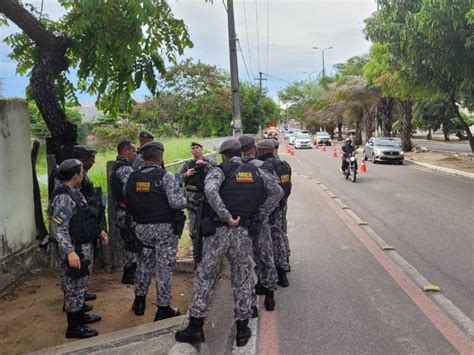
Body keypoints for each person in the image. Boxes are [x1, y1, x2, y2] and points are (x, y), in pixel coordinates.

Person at [175, 139, 283, 347]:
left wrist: (226, 216)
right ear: (241, 153)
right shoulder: (256, 171)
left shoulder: (219, 170)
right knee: (242, 277)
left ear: (223, 155)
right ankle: (243, 329)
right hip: (243, 232)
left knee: (205, 276)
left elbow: (210, 191)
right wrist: (260, 215)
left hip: (218, 232)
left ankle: (195, 327)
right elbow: (277, 191)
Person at [125, 141, 187, 321]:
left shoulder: (133, 177)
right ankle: (163, 308)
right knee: (164, 267)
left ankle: (139, 302)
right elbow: (175, 202)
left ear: (143, 157)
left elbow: (127, 197)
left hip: (141, 228)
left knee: (144, 264)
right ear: (160, 157)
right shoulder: (166, 176)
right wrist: (188, 200)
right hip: (164, 229)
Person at [49, 159, 108, 339]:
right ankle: (74, 327)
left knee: (82, 284)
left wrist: (99, 232)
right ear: (76, 175)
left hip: (83, 245)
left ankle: (80, 316)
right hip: (75, 248)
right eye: (82, 171)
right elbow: (58, 227)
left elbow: (86, 216)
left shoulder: (74, 192)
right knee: (74, 286)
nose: (84, 174)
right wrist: (70, 252)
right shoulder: (63, 198)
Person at [238, 135, 280, 312]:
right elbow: (277, 193)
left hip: (239, 223)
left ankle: (251, 306)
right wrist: (262, 214)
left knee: (243, 262)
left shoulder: (233, 169)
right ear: (253, 149)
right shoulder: (261, 169)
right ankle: (269, 297)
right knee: (265, 257)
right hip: (259, 222)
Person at [256, 139, 292, 287]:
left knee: (267, 242)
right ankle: (284, 270)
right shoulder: (285, 165)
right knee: (280, 236)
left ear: (261, 151)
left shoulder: (264, 168)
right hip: (282, 205)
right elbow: (288, 186)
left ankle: (270, 276)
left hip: (270, 208)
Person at [72, 145, 104, 307]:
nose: (93, 162)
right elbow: (79, 203)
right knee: (77, 270)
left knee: (84, 266)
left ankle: (80, 296)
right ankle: (74, 302)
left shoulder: (83, 175)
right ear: (83, 160)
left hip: (85, 225)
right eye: (91, 159)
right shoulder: (71, 176)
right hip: (77, 228)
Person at [178, 142, 216, 261]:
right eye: (193, 148)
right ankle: (197, 253)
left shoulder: (210, 163)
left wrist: (205, 166)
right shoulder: (187, 165)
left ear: (202, 149)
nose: (195, 150)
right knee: (194, 230)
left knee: (208, 227)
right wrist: (186, 174)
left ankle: (208, 254)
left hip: (207, 202)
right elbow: (175, 179)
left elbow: (218, 174)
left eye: (197, 148)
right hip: (192, 203)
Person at [109, 140, 138, 285]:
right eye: (133, 151)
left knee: (129, 241)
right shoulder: (125, 169)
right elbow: (130, 190)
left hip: (122, 210)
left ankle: (130, 271)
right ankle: (130, 273)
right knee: (131, 242)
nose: (135, 154)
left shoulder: (116, 166)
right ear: (125, 151)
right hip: (127, 212)